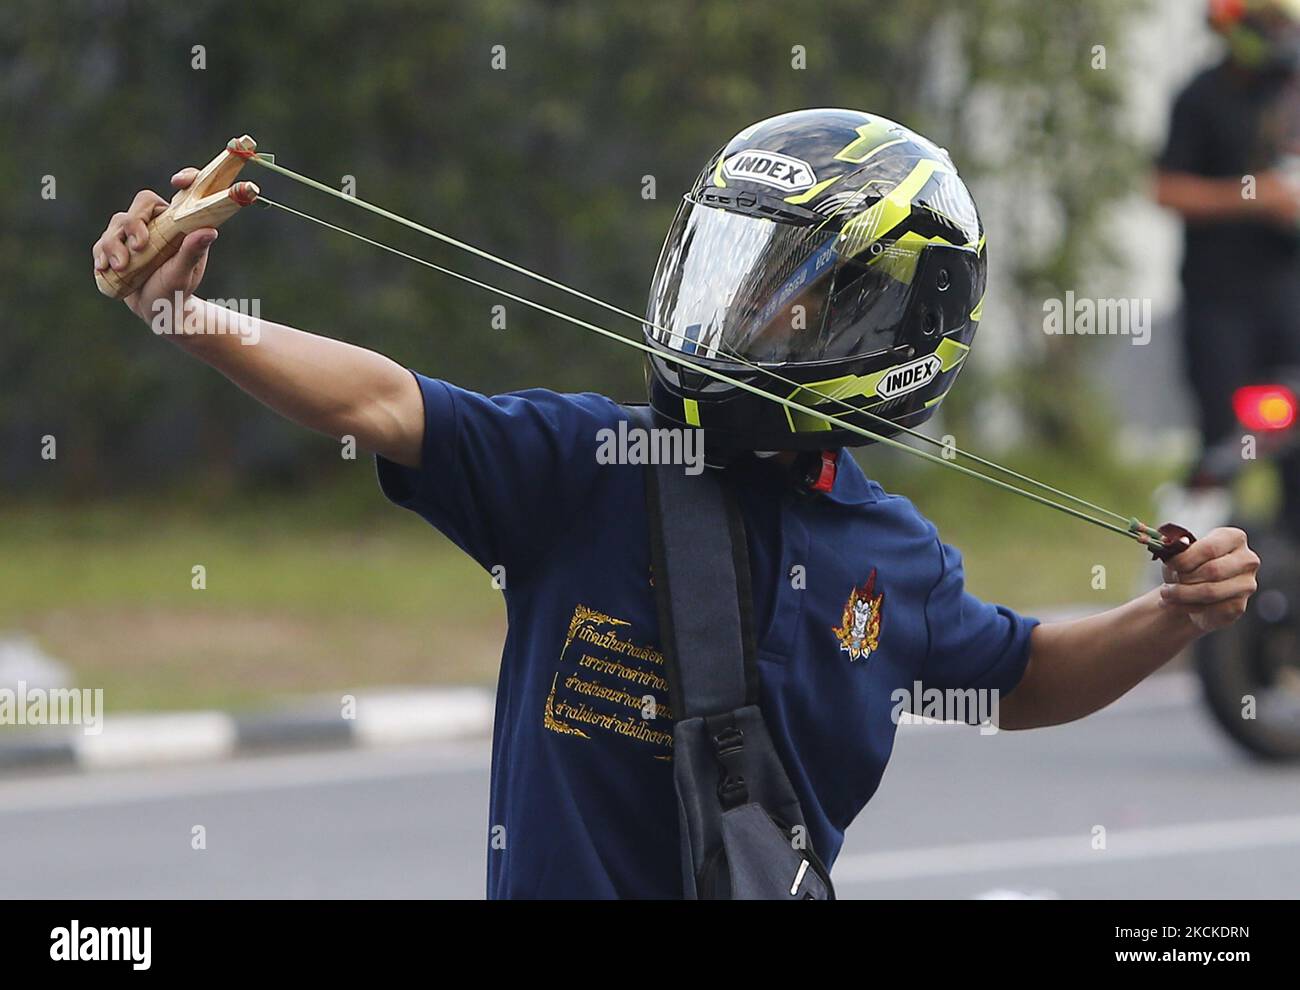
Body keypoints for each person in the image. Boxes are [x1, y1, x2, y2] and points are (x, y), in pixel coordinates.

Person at [94, 108, 1259, 899]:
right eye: (733, 282)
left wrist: (1172, 617)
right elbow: (386, 405)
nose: (744, 322)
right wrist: (186, 318)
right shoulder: (586, 467)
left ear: (902, 325)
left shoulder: (891, 556)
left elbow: (1013, 678)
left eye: (789, 305)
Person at [1155, 0, 1300, 533]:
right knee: (1222, 445)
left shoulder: (1290, 93)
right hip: (1218, 306)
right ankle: (1207, 585)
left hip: (1286, 304)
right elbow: (1165, 189)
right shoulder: (1200, 96)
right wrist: (1253, 197)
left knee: (1294, 452)